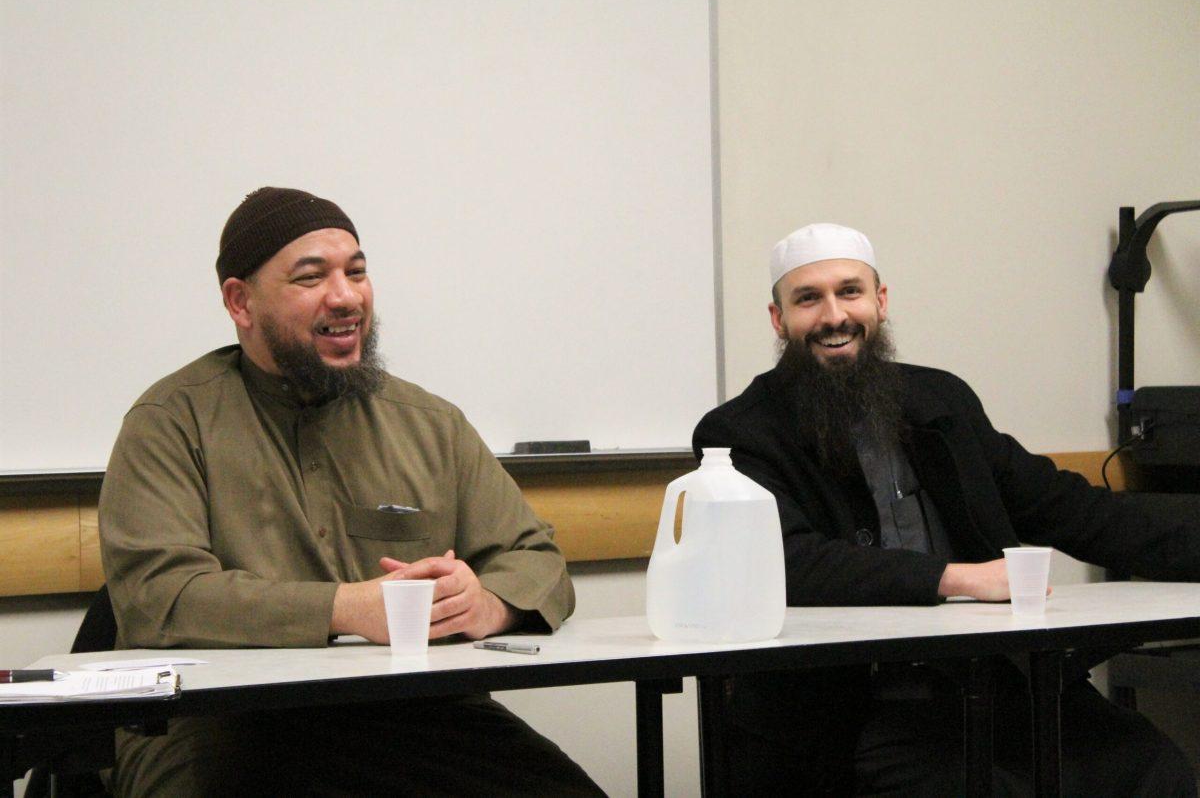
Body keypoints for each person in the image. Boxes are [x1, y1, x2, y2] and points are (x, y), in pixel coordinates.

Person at [99, 187, 602, 796]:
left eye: (356, 272)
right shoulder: (172, 421)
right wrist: (347, 609)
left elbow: (536, 560)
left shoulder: (429, 422)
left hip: (411, 714)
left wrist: (488, 603)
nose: (346, 297)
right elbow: (160, 597)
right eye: (312, 278)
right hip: (220, 721)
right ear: (241, 302)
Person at [693, 223, 1200, 795]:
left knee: (1152, 768)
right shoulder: (741, 432)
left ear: (880, 302)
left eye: (850, 292)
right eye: (808, 299)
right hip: (857, 710)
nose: (834, 315)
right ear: (778, 319)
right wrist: (959, 579)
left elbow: (1068, 508)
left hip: (993, 682)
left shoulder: (941, 401)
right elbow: (787, 561)